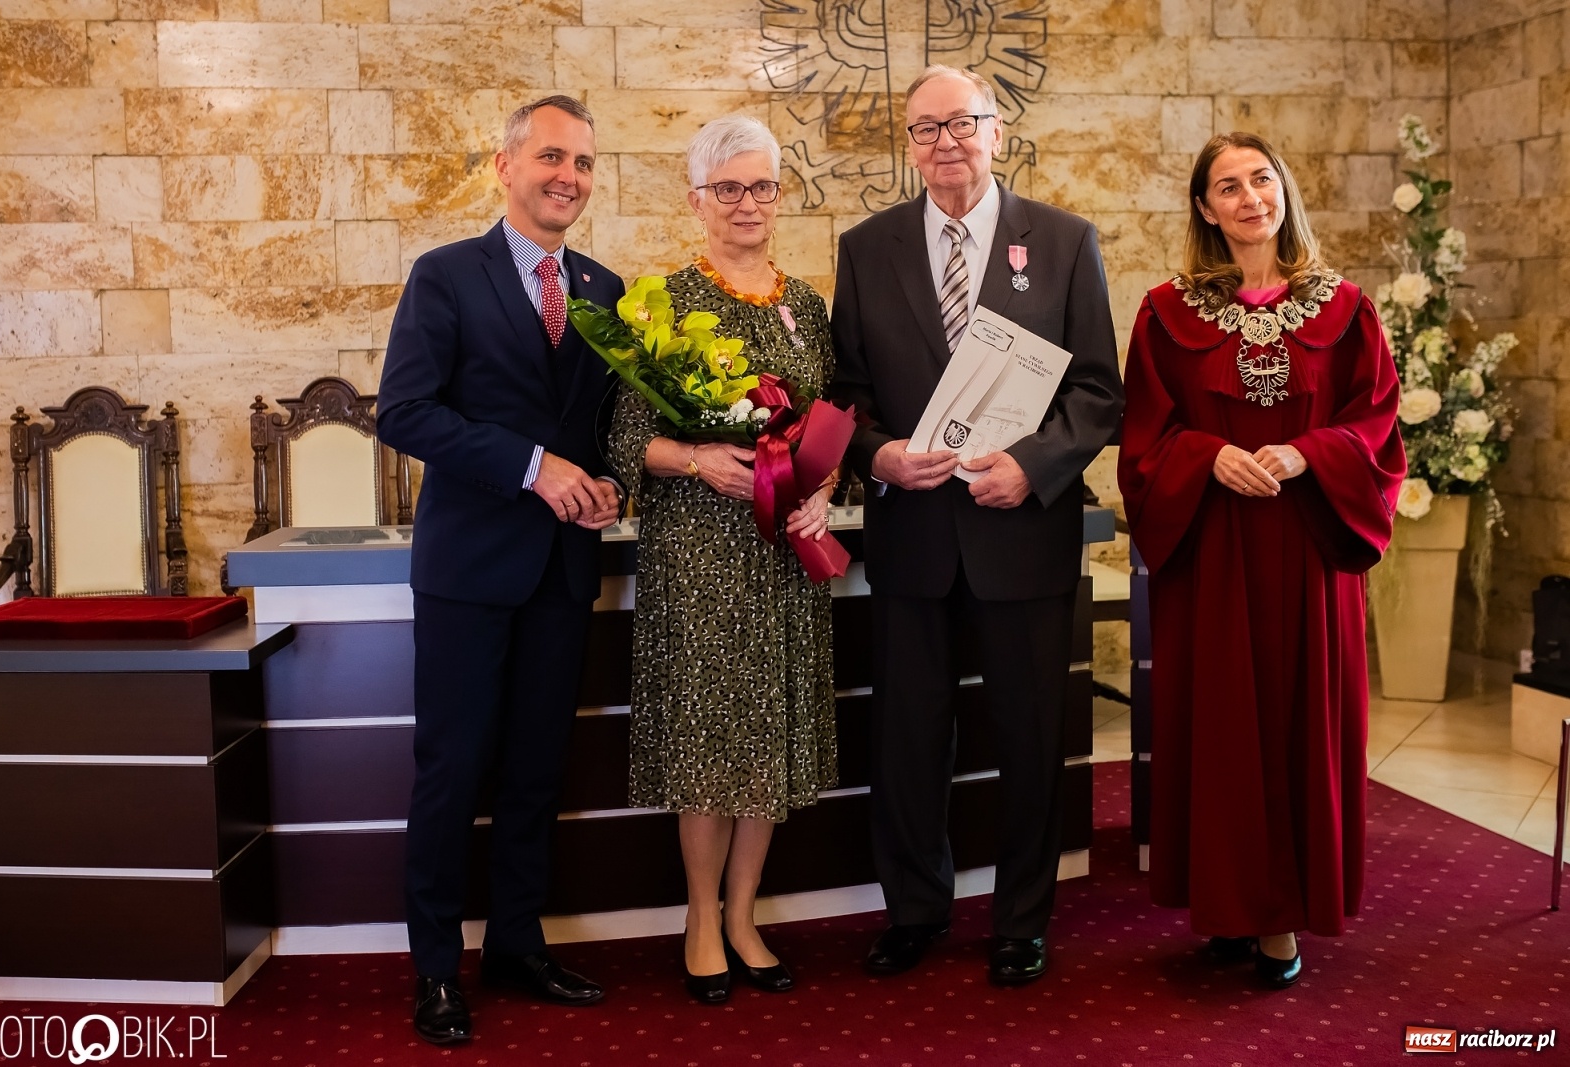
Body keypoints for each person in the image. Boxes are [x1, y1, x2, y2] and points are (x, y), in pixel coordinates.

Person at [828, 65, 1123, 986]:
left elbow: (1097, 393)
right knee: (909, 738)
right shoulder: (865, 247)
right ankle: (914, 908)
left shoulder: (1065, 242)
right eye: (925, 129)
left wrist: (1031, 468)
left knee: (1031, 737)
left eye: (962, 123)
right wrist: (874, 455)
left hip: (1022, 532)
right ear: (908, 146)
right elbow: (847, 395)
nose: (945, 142)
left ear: (998, 132)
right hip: (913, 534)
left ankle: (1021, 918)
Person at [1116, 132, 1405, 988]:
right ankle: (1231, 904)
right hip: (1213, 550)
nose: (1250, 198)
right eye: (1228, 187)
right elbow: (1143, 437)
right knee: (1220, 728)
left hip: (1309, 548)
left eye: (1262, 180)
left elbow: (1378, 421)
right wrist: (1206, 455)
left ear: (1284, 190)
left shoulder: (1347, 308)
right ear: (1205, 208)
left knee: (1296, 721)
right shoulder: (1165, 311)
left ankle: (1283, 916)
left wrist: (1308, 453)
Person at [376, 95, 626, 1045]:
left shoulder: (606, 289)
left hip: (563, 573)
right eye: (553, 157)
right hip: (469, 572)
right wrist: (533, 467)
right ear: (506, 166)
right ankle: (436, 968)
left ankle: (517, 944)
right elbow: (403, 413)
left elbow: (603, 431)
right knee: (452, 772)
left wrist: (605, 482)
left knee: (533, 772)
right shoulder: (445, 276)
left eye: (585, 164)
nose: (570, 176)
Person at [607, 115, 839, 1005]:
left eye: (763, 186)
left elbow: (827, 423)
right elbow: (629, 440)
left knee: (768, 737)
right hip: (702, 555)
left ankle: (746, 913)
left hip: (787, 554)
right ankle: (701, 916)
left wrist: (822, 484)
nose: (748, 204)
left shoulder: (806, 302)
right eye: (729, 188)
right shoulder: (661, 299)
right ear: (696, 198)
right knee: (711, 738)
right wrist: (699, 458)